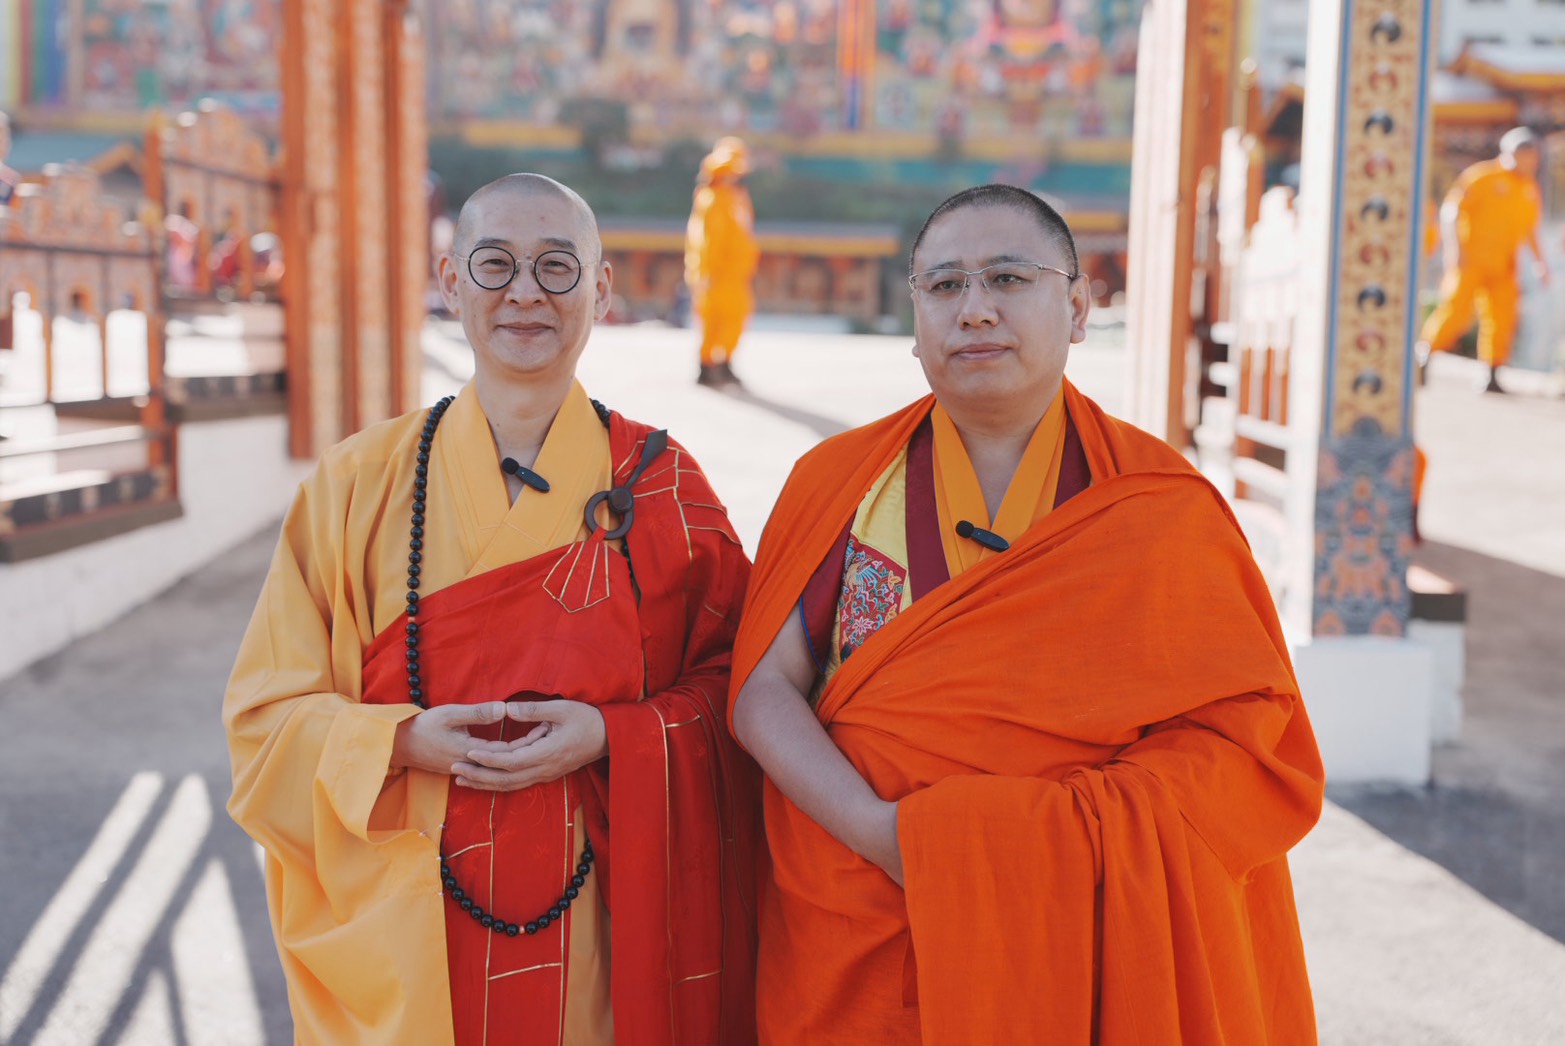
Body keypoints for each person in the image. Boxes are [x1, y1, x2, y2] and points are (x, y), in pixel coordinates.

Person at [729, 184, 1325, 1043]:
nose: (974, 311)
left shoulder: (1157, 505)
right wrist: (877, 832)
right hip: (863, 907)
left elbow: (1246, 747)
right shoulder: (836, 484)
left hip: (1085, 929)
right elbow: (761, 691)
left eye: (1008, 279)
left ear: (1077, 308)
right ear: (915, 316)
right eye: (943, 287)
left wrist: (1067, 841)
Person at [224, 174, 760, 1044]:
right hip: (406, 916)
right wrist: (396, 740)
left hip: (597, 924)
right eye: (495, 263)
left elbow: (745, 687)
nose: (524, 293)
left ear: (601, 289)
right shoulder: (358, 483)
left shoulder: (660, 486)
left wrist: (611, 737)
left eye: (556, 268)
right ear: (451, 280)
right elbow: (263, 718)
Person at [1418, 127, 1551, 393]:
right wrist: (1454, 250)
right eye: (1529, 155)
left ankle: (1490, 372)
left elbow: (1529, 230)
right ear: (1514, 153)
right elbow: (1452, 211)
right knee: (1456, 312)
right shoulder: (1482, 176)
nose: (1532, 162)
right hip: (1471, 261)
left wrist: (1539, 262)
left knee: (1500, 319)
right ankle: (1423, 355)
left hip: (1503, 265)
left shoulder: (1528, 188)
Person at [685, 136, 759, 388]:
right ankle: (706, 366)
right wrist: (704, 272)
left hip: (736, 274)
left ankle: (725, 362)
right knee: (711, 321)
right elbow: (705, 241)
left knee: (735, 319)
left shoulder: (738, 198)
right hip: (714, 274)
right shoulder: (711, 199)